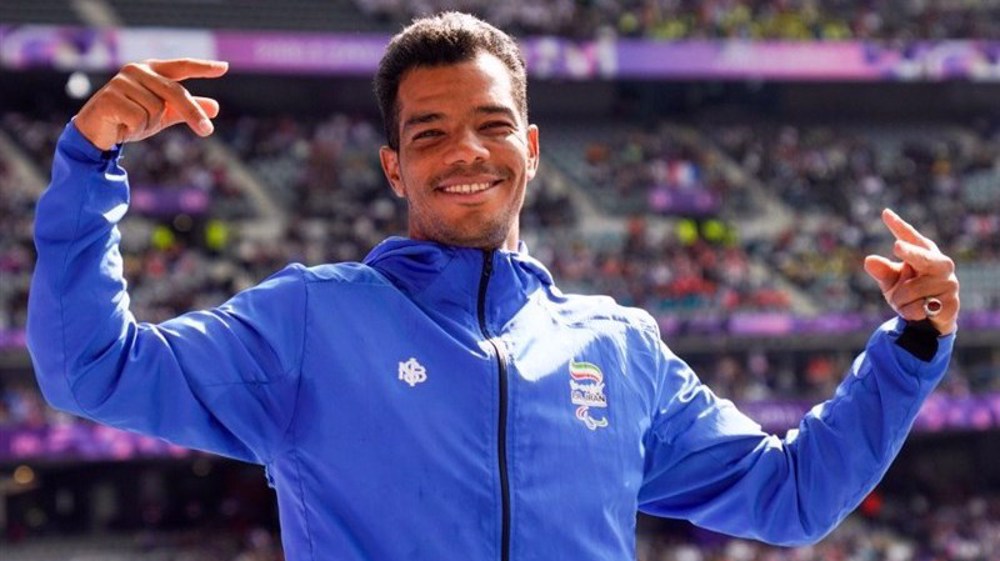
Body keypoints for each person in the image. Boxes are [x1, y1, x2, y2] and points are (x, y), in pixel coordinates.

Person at [28, 11, 959, 561]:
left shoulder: (619, 344)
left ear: (532, 147)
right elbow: (90, 370)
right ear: (394, 168)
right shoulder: (312, 317)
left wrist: (910, 348)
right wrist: (89, 160)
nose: (465, 151)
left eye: (491, 124)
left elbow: (789, 494)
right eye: (429, 133)